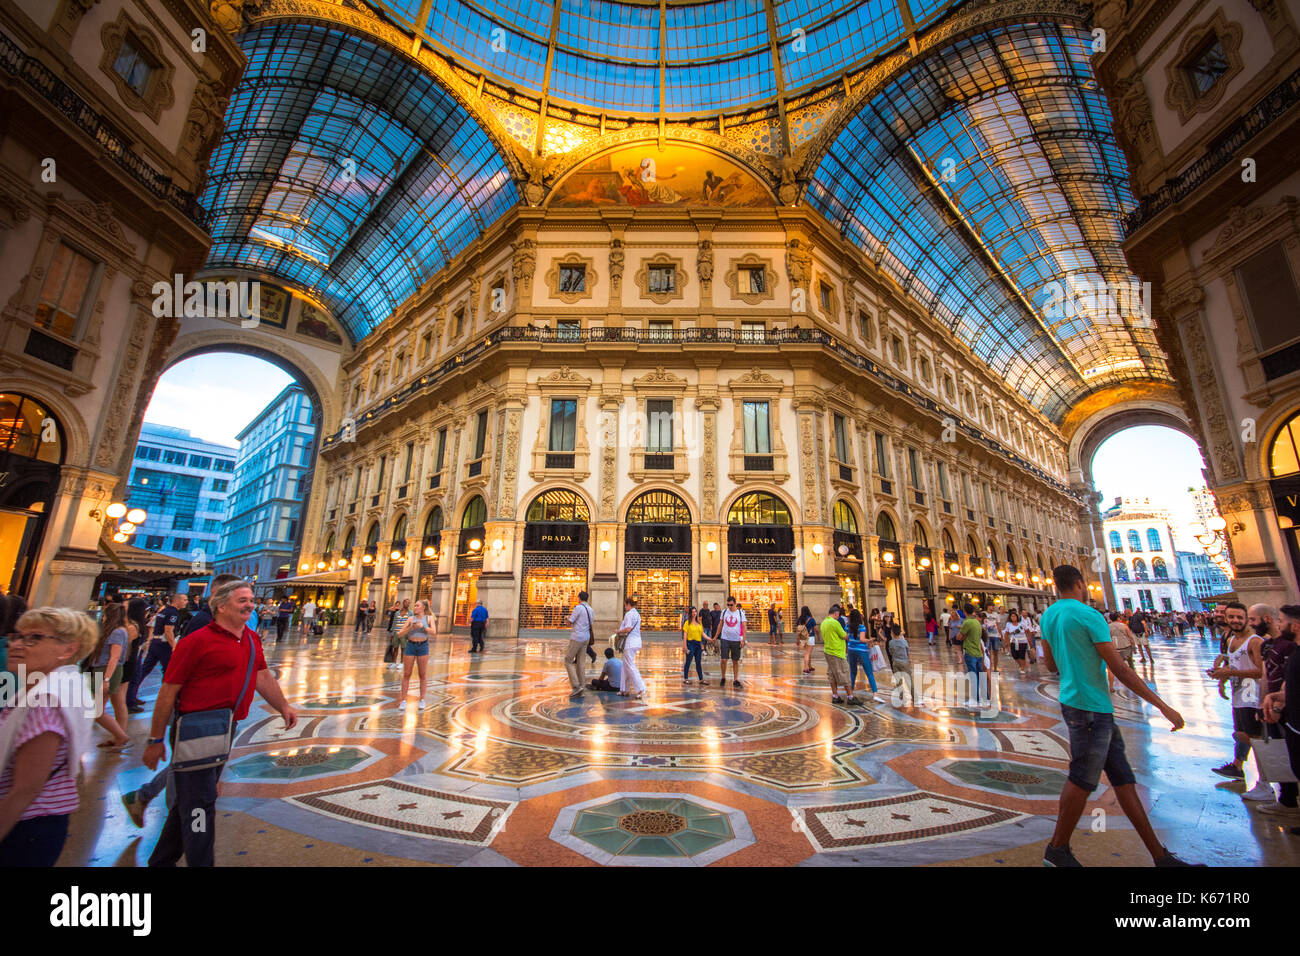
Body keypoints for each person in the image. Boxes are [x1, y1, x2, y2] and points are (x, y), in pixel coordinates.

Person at [1039, 565, 1197, 867]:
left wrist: (1072, 656)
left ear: (1056, 585)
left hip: (1079, 703)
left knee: (1124, 781)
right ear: (1080, 584)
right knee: (1082, 780)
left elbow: (1049, 665)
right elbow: (1121, 669)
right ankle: (1057, 850)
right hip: (1090, 709)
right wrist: (1162, 705)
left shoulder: (1049, 616)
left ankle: (1160, 857)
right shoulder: (1089, 615)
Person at [143, 579, 297, 867]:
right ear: (221, 605)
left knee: (190, 801)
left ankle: (161, 861)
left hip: (227, 728)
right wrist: (154, 740)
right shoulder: (196, 641)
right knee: (200, 804)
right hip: (196, 728)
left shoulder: (250, 639)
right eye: (243, 600)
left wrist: (283, 706)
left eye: (251, 600)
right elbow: (168, 691)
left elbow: (262, 675)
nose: (250, 605)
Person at [0, 607, 95, 865]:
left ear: (68, 649)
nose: (18, 644)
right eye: (17, 636)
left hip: (25, 827)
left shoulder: (47, 700)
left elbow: (26, 788)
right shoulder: (55, 687)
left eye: (34, 638)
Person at [1208, 601, 1267, 792]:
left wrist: (1229, 674)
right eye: (1231, 617)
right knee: (1242, 734)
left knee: (1256, 739)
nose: (1235, 620)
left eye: (1239, 617)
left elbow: (1261, 672)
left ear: (1246, 619)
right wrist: (1221, 675)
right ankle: (1252, 774)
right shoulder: (1232, 640)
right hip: (1239, 696)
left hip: (1253, 697)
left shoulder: (1255, 641)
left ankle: (1265, 784)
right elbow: (1235, 666)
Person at [1255, 604, 1298, 819]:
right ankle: (1288, 801)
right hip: (1276, 707)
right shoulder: (1268, 645)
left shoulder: (1291, 647)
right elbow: (1266, 676)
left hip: (1290, 712)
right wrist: (1263, 703)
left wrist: (1279, 705)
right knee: (1284, 755)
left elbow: (1288, 682)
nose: (1280, 624)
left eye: (1282, 620)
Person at [125, 592, 185, 715]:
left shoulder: (163, 611)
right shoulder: (172, 613)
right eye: (184, 599)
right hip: (164, 645)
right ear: (177, 600)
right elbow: (168, 631)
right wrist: (174, 646)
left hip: (155, 643)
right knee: (168, 671)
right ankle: (166, 699)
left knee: (143, 670)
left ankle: (131, 697)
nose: (186, 602)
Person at [85, 602, 130, 749]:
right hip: (106, 669)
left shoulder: (117, 632)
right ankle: (119, 736)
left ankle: (121, 736)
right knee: (101, 708)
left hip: (106, 670)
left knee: (97, 710)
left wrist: (106, 679)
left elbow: (114, 657)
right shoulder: (119, 631)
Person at [397, 600, 433, 708]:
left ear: (423, 607)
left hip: (423, 646)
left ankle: (422, 699)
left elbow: (434, 632)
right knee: (407, 674)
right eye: (415, 605)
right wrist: (410, 628)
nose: (415, 607)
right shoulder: (410, 619)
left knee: (422, 674)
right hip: (410, 646)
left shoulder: (429, 618)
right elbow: (399, 634)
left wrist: (423, 626)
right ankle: (403, 700)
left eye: (417, 605)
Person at [845, 608, 882, 704]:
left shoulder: (847, 627)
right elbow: (862, 639)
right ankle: (875, 693)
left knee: (853, 672)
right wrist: (869, 640)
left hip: (851, 650)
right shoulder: (861, 627)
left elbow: (846, 638)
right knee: (869, 672)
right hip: (862, 650)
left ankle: (851, 693)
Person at [819, 603, 853, 705]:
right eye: (837, 615)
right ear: (835, 614)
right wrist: (848, 635)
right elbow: (844, 636)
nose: (838, 617)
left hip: (828, 651)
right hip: (837, 652)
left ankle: (835, 695)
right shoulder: (834, 623)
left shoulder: (823, 623)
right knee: (844, 672)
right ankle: (850, 696)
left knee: (832, 674)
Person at [564, 591, 595, 700]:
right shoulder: (591, 609)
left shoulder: (578, 608)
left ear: (579, 598)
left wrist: (566, 618)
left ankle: (576, 686)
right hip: (586, 638)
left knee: (568, 660)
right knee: (581, 663)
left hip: (577, 637)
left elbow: (570, 622)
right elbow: (591, 623)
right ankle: (582, 688)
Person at [616, 596, 645, 699]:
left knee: (630, 666)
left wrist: (618, 631)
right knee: (625, 665)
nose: (624, 607)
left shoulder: (628, 614)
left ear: (628, 604)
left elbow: (628, 628)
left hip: (630, 643)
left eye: (625, 605)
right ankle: (624, 689)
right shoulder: (637, 614)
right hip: (637, 641)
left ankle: (640, 688)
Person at [958, 604, 985, 707]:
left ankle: (974, 700)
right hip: (978, 652)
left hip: (970, 652)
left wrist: (964, 636)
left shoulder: (967, 622)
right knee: (980, 676)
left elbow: (959, 637)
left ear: (964, 611)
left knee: (973, 677)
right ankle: (984, 698)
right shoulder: (977, 622)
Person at [716, 596, 746, 689]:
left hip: (736, 639)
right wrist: (716, 636)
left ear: (735, 604)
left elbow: (744, 626)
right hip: (725, 638)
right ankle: (723, 677)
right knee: (724, 659)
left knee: (735, 660)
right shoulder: (724, 612)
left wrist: (743, 639)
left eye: (731, 605)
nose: (729, 606)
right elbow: (720, 624)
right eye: (728, 604)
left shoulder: (740, 613)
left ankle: (735, 679)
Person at [888, 627, 913, 707]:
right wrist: (909, 660)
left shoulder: (891, 642)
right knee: (909, 680)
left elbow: (891, 652)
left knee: (899, 681)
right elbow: (907, 651)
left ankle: (901, 695)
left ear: (893, 633)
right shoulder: (904, 641)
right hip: (904, 662)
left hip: (895, 662)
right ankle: (914, 697)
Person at [682, 605, 706, 685]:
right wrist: (685, 646)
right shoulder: (687, 623)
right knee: (688, 661)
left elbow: (702, 634)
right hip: (690, 643)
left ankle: (701, 679)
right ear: (690, 613)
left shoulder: (699, 623)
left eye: (695, 612)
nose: (694, 613)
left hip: (697, 644)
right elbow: (685, 635)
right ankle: (686, 678)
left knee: (698, 661)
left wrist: (711, 639)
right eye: (692, 612)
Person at [1005, 609, 1032, 680]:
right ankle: (1021, 665)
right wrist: (1006, 642)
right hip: (1013, 641)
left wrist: (1029, 639)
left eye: (1014, 616)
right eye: (1012, 616)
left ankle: (1022, 668)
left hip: (1022, 641)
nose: (1013, 618)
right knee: (1014, 655)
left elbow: (1028, 631)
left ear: (1017, 617)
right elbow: (1006, 633)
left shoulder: (1022, 624)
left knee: (1021, 655)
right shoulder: (1008, 624)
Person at [387, 600, 410, 670]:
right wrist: (392, 633)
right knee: (395, 648)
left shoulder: (410, 613)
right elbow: (394, 623)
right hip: (396, 633)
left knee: (403, 649)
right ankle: (394, 663)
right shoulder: (397, 613)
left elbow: (411, 624)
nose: (407, 604)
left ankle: (402, 663)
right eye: (406, 602)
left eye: (409, 603)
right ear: (403, 603)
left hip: (404, 634)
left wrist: (409, 634)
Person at [796, 605, 817, 675]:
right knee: (807, 653)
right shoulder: (811, 619)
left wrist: (797, 639)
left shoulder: (799, 619)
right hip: (810, 637)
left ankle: (809, 666)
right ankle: (805, 668)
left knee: (808, 652)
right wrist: (819, 636)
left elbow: (798, 630)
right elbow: (815, 629)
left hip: (803, 638)